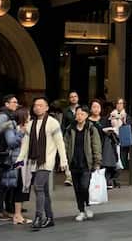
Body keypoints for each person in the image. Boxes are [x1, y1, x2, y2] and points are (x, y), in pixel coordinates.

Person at [17, 97, 69, 231]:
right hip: (34, 161)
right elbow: (25, 144)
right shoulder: (31, 124)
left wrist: (63, 160)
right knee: (43, 191)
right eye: (35, 105)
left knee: (38, 187)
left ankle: (39, 217)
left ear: (46, 108)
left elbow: (60, 143)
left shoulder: (53, 123)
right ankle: (50, 217)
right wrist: (20, 158)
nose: (37, 107)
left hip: (47, 161)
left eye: (40, 105)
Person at [65, 103, 101, 221]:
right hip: (74, 163)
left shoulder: (91, 129)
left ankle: (87, 206)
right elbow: (66, 145)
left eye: (82, 114)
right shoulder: (70, 129)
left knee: (85, 186)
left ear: (87, 115)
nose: (79, 116)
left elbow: (96, 146)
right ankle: (81, 210)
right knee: (77, 188)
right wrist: (64, 161)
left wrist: (97, 162)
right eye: (78, 114)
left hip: (87, 163)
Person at [91, 100, 120, 196]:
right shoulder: (88, 121)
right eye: (94, 107)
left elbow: (115, 128)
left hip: (104, 144)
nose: (96, 109)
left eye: (98, 107)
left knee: (108, 149)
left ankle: (107, 179)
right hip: (92, 145)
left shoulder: (105, 120)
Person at [108, 99, 130, 187]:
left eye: (121, 103)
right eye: (118, 103)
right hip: (114, 139)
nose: (119, 105)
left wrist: (123, 119)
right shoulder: (111, 114)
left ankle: (115, 178)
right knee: (115, 160)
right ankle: (112, 179)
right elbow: (108, 123)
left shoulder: (126, 115)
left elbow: (128, 125)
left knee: (122, 161)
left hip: (122, 139)